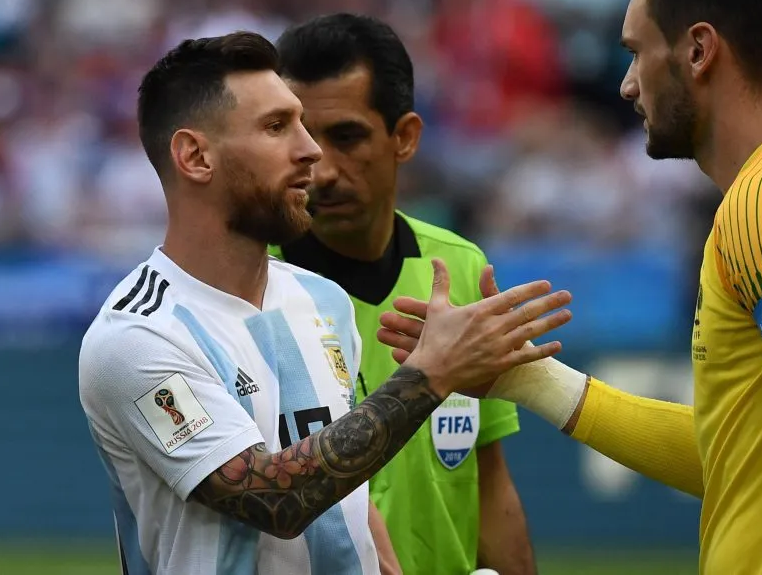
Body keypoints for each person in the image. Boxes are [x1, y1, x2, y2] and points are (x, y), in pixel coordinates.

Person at [379, 0, 762, 575]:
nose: (627, 84)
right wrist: (531, 379)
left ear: (698, 51)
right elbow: (733, 455)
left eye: (637, 52)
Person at [77, 32, 573, 575]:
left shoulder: (320, 300)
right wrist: (432, 374)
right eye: (276, 127)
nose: (311, 151)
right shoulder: (137, 337)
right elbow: (270, 497)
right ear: (195, 156)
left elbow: (342, 493)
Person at [268, 13, 536, 575]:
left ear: (405, 137)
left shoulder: (461, 270)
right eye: (302, 139)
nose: (322, 171)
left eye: (346, 137)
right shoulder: (247, 288)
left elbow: (491, 484)